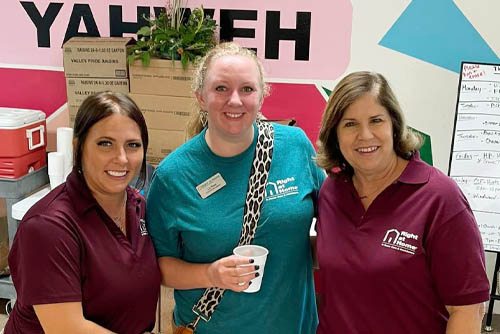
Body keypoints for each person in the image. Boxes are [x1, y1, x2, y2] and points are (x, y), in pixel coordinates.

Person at [146, 42, 325, 334]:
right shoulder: (173, 175)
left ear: (261, 96)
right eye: (220, 89)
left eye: (247, 89)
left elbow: (334, 226)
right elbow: (160, 266)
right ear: (200, 97)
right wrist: (210, 274)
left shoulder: (295, 147)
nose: (235, 101)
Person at [315, 71, 490, 333]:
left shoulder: (440, 198)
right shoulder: (331, 190)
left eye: (376, 121)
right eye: (350, 124)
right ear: (335, 135)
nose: (365, 135)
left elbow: (467, 308)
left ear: (394, 126)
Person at [4, 92, 161, 334]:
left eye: (132, 145)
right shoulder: (48, 227)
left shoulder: (136, 204)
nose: (121, 158)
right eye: (105, 143)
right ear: (78, 146)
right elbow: (66, 328)